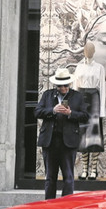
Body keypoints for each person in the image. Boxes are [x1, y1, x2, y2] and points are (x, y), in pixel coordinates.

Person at [35, 67, 88, 198]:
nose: (63, 88)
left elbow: (85, 116)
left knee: (68, 177)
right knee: (50, 178)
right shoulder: (48, 95)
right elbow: (37, 112)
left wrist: (70, 113)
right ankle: (49, 206)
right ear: (56, 85)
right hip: (50, 141)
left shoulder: (77, 96)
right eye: (60, 86)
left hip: (68, 142)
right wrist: (52, 110)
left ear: (69, 84)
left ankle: (66, 206)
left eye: (65, 85)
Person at [74, 41, 106, 180]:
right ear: (83, 51)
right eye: (86, 49)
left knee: (94, 133)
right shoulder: (79, 67)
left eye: (90, 49)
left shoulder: (99, 67)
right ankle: (84, 169)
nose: (88, 51)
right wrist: (74, 107)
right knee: (82, 133)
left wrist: (102, 110)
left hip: (94, 98)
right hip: (81, 98)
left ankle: (94, 169)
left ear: (94, 51)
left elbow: (103, 88)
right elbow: (75, 87)